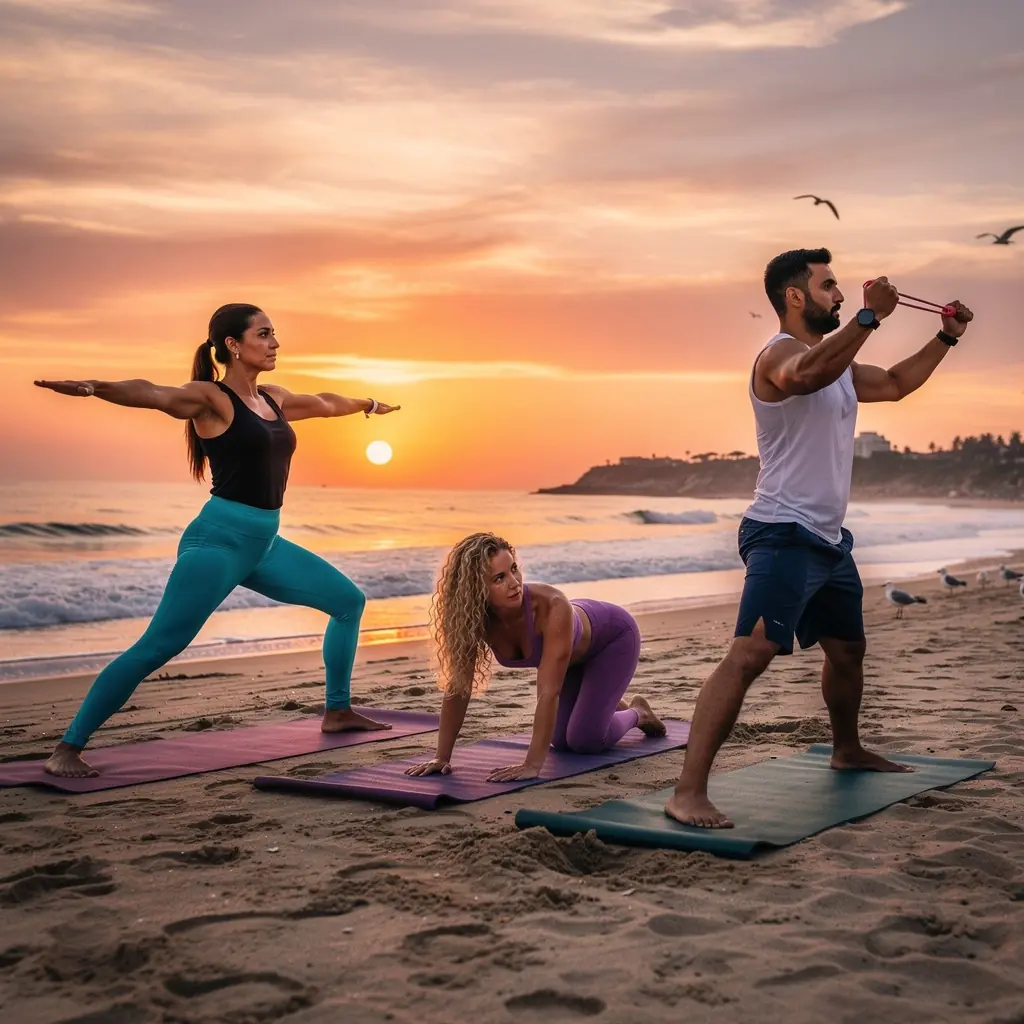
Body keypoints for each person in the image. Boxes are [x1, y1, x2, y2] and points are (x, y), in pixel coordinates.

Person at [664, 249, 974, 828]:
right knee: (750, 655)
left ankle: (846, 750)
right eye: (828, 286)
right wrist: (868, 317)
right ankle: (687, 792)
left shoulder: (842, 369)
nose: (839, 294)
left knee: (848, 651)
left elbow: (897, 383)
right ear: (795, 296)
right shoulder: (778, 354)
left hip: (828, 540)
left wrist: (946, 338)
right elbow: (804, 376)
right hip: (781, 532)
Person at [34, 303, 401, 778]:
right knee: (158, 647)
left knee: (348, 601)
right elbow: (153, 393)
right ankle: (68, 747)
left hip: (264, 545)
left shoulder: (274, 399)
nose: (275, 342)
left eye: (274, 333)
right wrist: (94, 387)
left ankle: (337, 711)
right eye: (263, 334)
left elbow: (327, 403)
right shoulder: (211, 398)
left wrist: (368, 404)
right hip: (217, 545)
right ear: (233, 344)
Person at [405, 532, 665, 782]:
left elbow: (548, 693)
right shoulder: (474, 620)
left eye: (513, 569)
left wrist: (531, 765)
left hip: (613, 639)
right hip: (572, 660)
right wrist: (441, 757)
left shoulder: (551, 606)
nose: (514, 583)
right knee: (560, 741)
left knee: (585, 740)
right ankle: (603, 699)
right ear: (476, 589)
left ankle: (638, 712)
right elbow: (458, 689)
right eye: (499, 578)